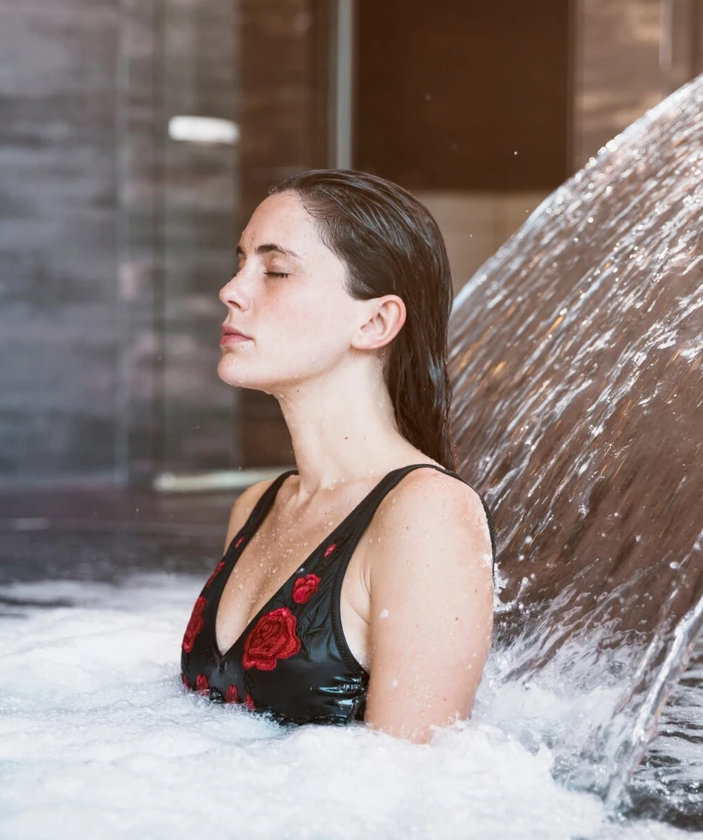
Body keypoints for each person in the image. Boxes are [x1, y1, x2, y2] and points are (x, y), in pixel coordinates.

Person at [180, 169, 496, 744]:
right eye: (242, 261)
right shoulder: (259, 506)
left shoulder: (427, 515)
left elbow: (412, 789)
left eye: (274, 270)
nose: (232, 289)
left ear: (374, 322)